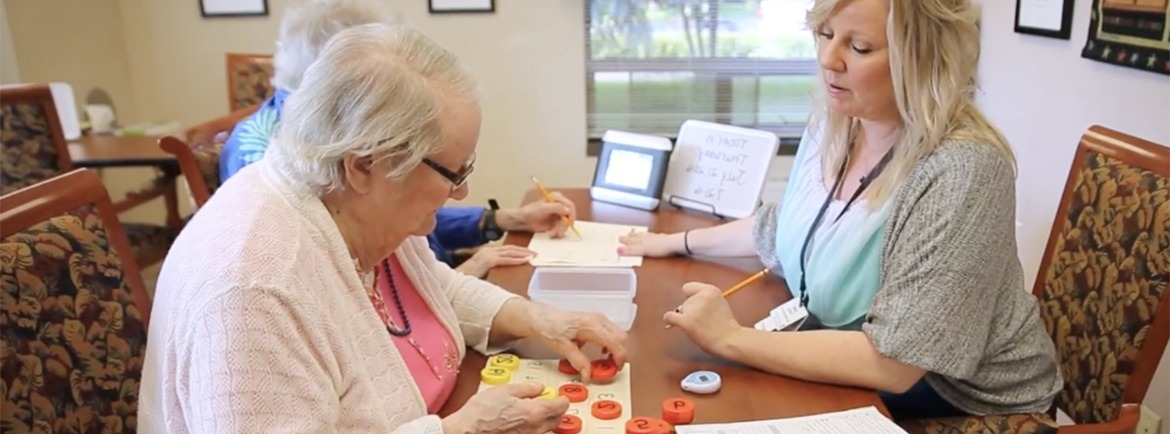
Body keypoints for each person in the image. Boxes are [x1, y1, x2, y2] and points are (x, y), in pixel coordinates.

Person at [140, 22, 628, 433]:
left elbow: (433, 289)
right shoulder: (253, 293)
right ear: (363, 165)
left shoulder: (351, 204)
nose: (461, 192)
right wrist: (461, 428)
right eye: (453, 173)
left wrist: (541, 319)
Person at [618, 0, 1061, 421]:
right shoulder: (839, 122)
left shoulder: (962, 169)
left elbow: (896, 363)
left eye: (859, 46)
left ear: (921, 56)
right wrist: (673, 242)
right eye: (825, 34)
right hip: (868, 357)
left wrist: (732, 339)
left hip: (959, 397)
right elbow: (782, 226)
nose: (829, 59)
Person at [219, 0, 570, 278]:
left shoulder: (338, 137)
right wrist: (466, 274)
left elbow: (403, 213)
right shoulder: (276, 163)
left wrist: (500, 220)